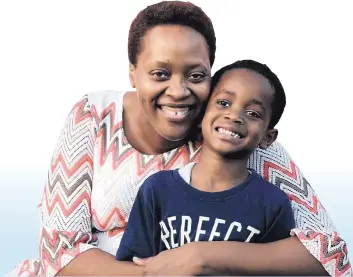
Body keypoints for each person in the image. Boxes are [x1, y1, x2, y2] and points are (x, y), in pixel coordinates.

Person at [5, 1, 350, 277]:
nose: (178, 91)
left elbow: (328, 253)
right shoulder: (94, 116)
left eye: (196, 75)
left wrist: (199, 257)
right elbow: (59, 250)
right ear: (132, 73)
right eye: (159, 73)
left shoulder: (228, 133)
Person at [116, 59, 296, 262]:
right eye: (223, 103)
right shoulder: (158, 189)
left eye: (252, 113)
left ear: (267, 137)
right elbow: (132, 266)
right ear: (201, 115)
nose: (234, 116)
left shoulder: (272, 204)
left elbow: (279, 268)